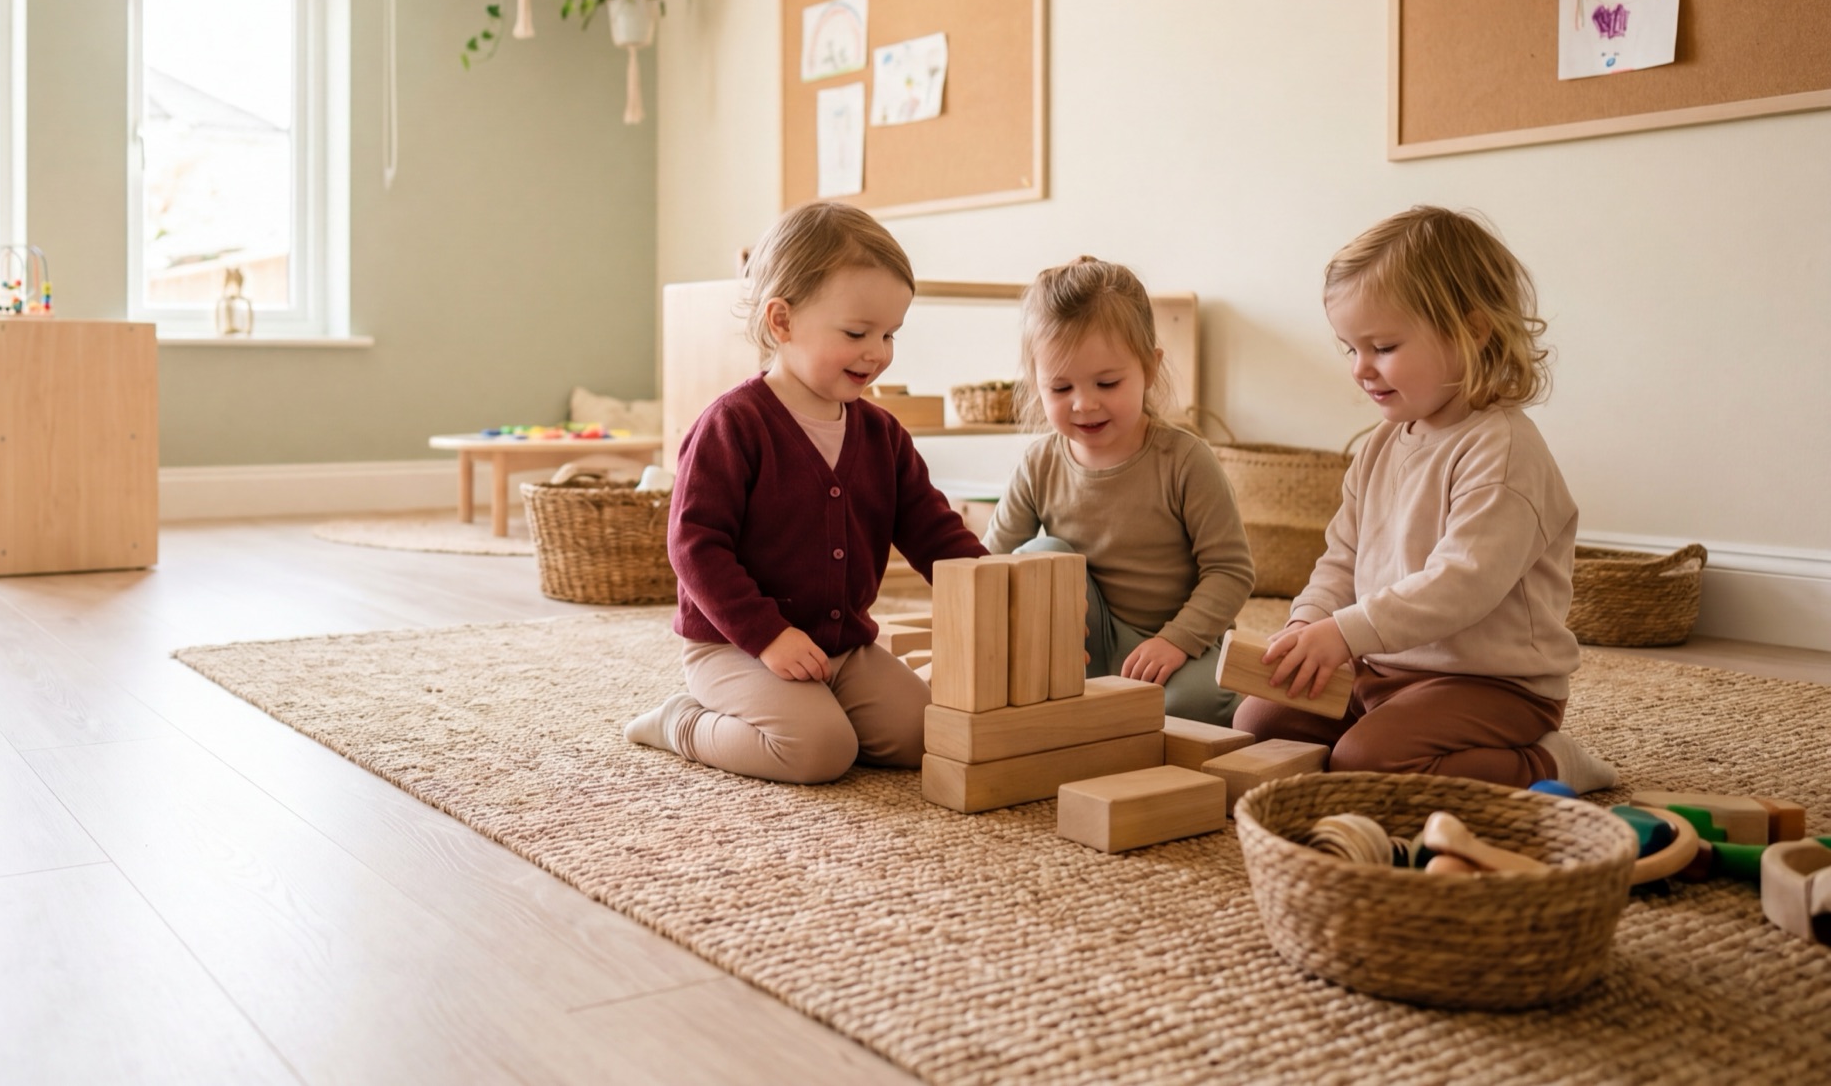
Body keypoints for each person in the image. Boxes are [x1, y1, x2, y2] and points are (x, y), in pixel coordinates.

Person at [1239, 206, 1614, 790]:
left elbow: (1461, 584)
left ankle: (1548, 762)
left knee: (1368, 762)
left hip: (1491, 685)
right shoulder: (1382, 444)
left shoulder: (1503, 450)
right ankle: (1366, 743)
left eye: (1383, 346)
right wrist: (1308, 622)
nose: (1362, 368)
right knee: (1259, 723)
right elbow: (1342, 557)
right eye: (1349, 349)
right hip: (1382, 667)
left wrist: (1345, 633)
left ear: (1474, 331)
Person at [626, 202, 983, 783]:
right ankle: (681, 723)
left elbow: (933, 530)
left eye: (889, 334)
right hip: (737, 647)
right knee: (818, 753)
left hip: (843, 648)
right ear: (782, 321)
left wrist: (998, 592)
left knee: (925, 734)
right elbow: (695, 548)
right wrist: (769, 637)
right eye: (856, 332)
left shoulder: (881, 433)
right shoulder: (734, 424)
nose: (877, 352)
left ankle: (820, 711)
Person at [982, 257, 1254, 725]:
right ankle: (1081, 693)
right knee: (1039, 552)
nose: (1084, 404)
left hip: (1175, 647)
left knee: (1191, 707)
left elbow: (1230, 572)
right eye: (1060, 387)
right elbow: (988, 563)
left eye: (1107, 383)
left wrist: (1175, 641)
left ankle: (1113, 702)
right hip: (1082, 646)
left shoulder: (1185, 460)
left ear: (1150, 367)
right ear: (1036, 386)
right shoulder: (1040, 462)